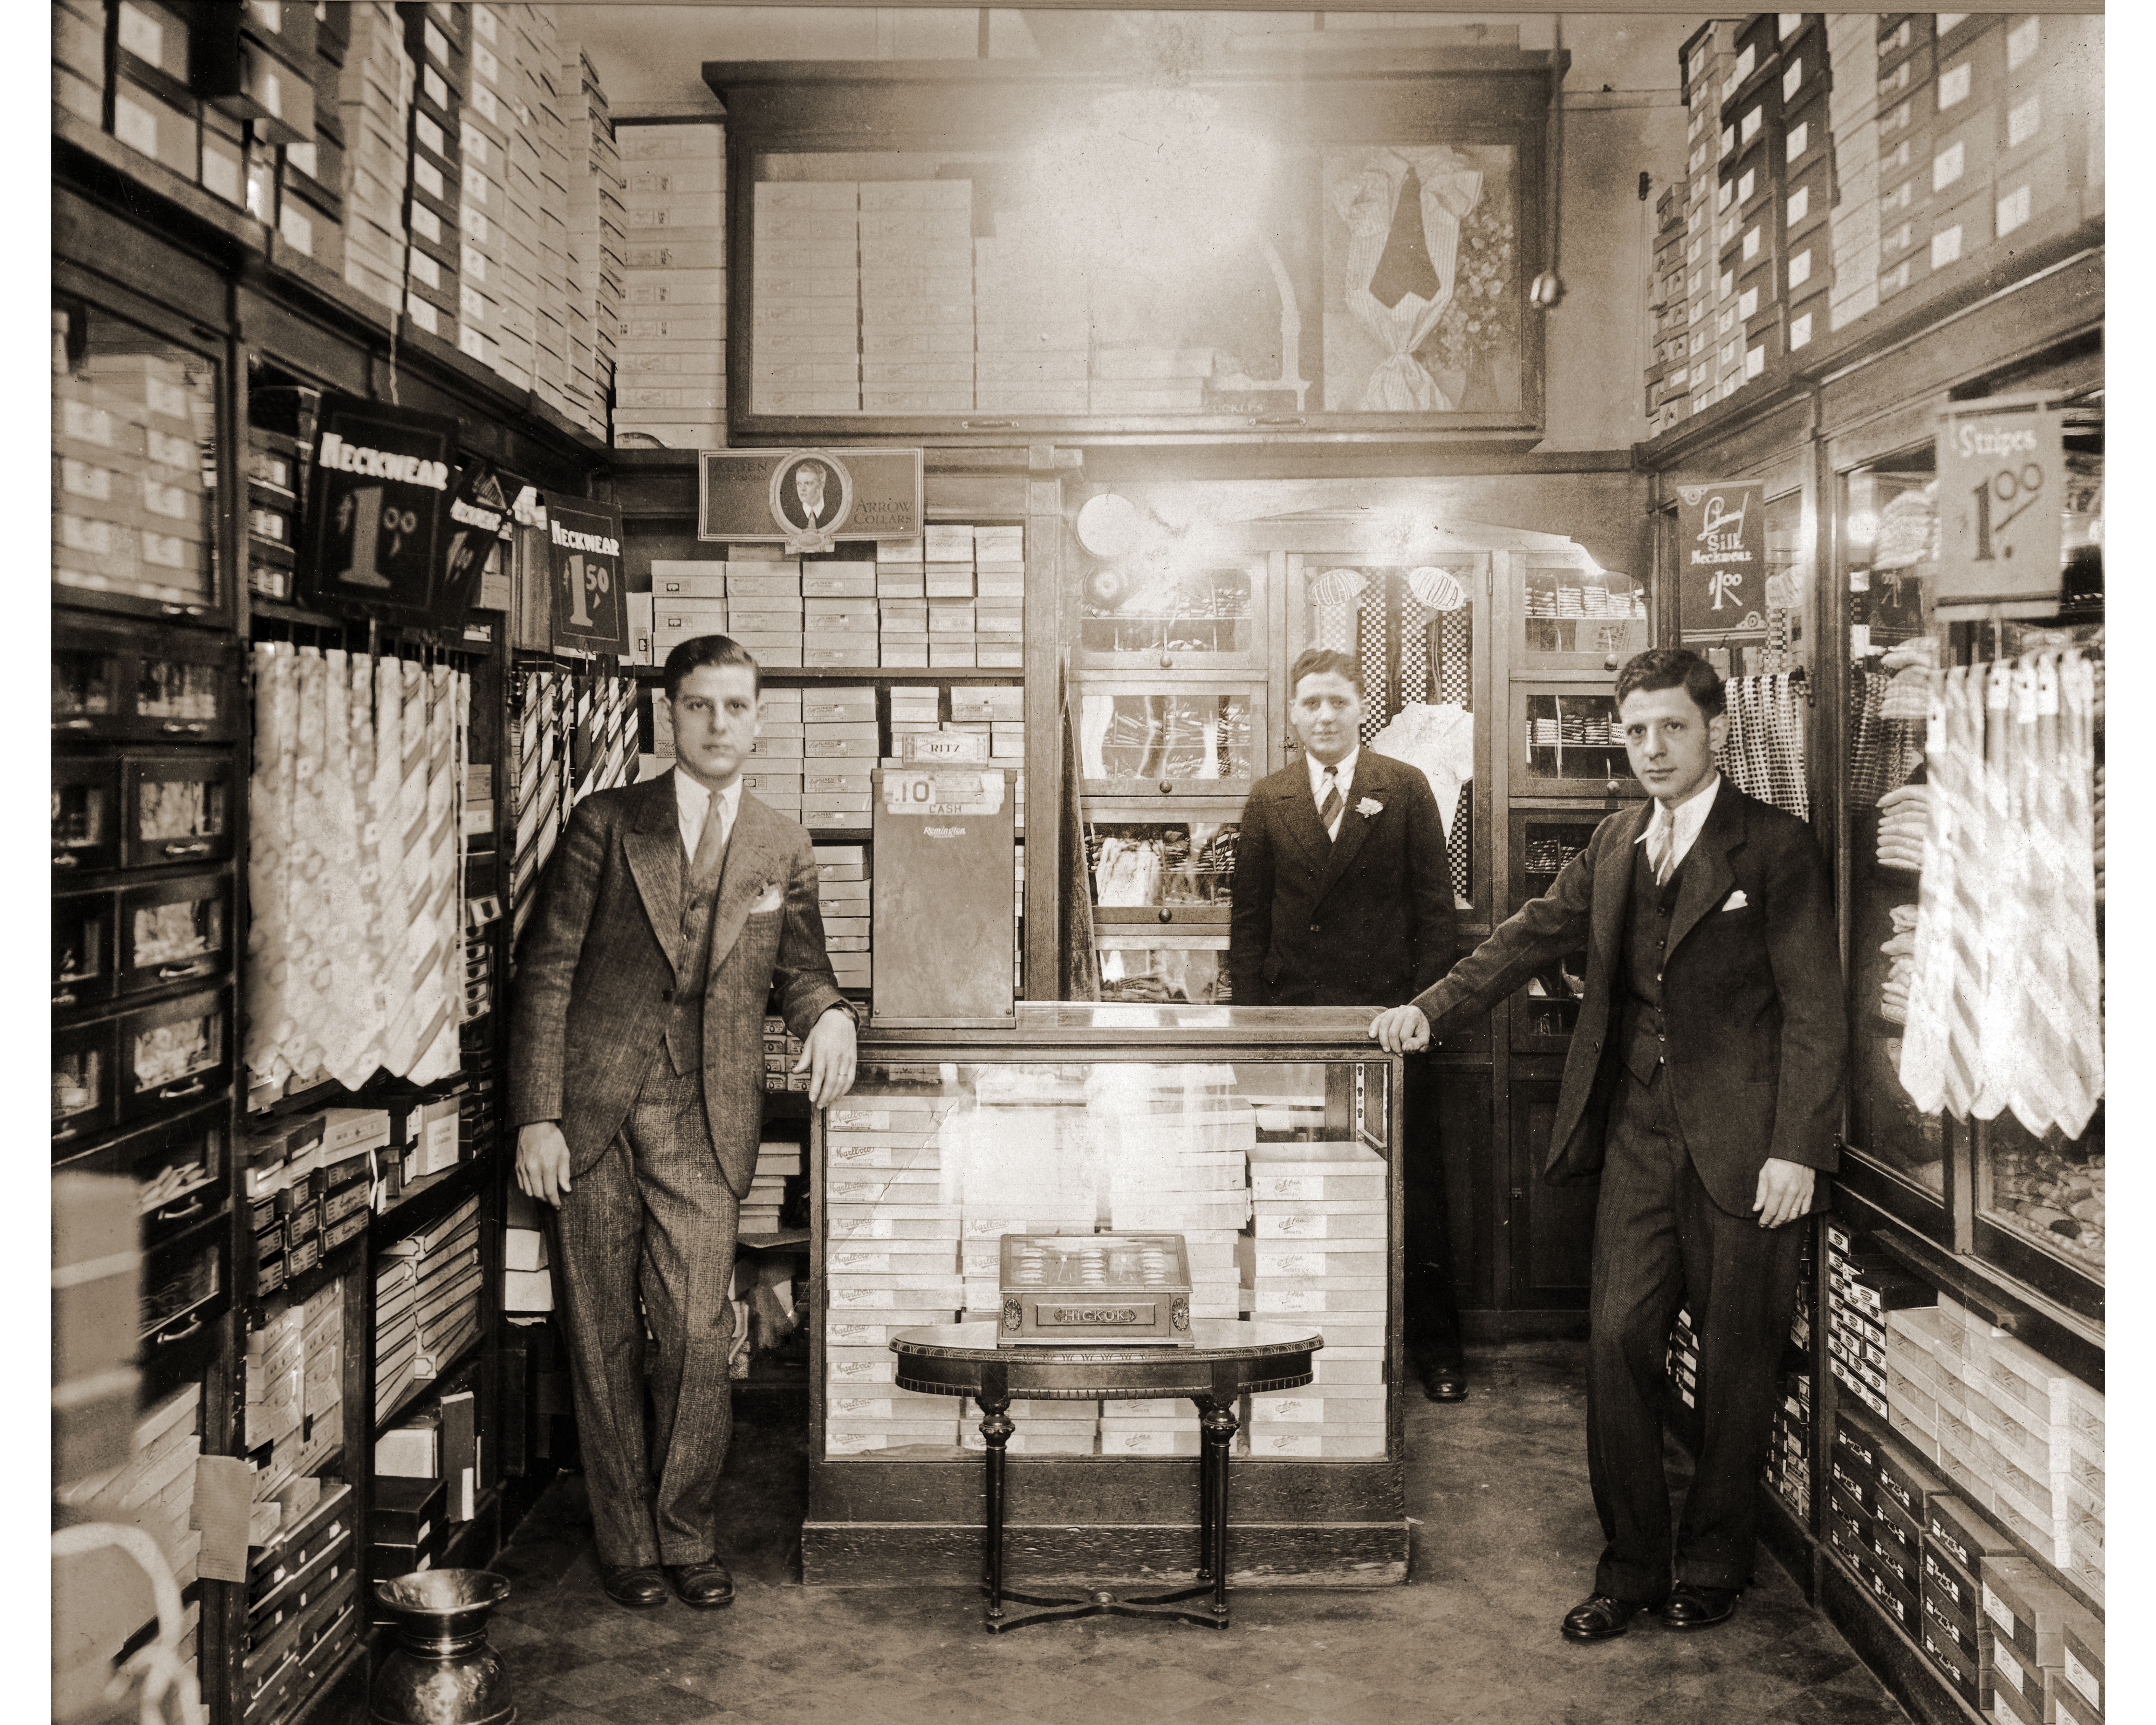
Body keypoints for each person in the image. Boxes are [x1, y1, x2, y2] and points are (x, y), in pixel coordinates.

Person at [1372, 647, 1843, 1640]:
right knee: (1618, 1342)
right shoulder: (1619, 840)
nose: (1652, 747)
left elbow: (1814, 1013)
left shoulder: (1775, 847)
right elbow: (1525, 935)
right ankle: (1629, 1566)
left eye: (1671, 725)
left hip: (1748, 1150)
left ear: (1712, 730)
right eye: (1635, 729)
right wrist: (1428, 1007)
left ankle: (1711, 1563)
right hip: (1637, 1133)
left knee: (1737, 1360)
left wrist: (1798, 1147)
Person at [510, 634, 859, 1611]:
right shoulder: (605, 822)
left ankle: (687, 1534)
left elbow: (801, 968)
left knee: (701, 1336)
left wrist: (831, 1014)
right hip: (590, 1115)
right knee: (602, 1332)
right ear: (671, 714)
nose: (717, 724)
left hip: (705, 1118)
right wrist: (538, 1114)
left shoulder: (781, 843)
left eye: (735, 706)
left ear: (758, 716)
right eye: (699, 705)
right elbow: (545, 973)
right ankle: (627, 1544)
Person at [1230, 646, 1467, 1400]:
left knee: (1413, 1188)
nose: (1324, 716)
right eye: (1310, 703)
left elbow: (1436, 916)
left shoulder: (1401, 788)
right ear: (1291, 714)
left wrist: (1422, 1011)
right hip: (1294, 1029)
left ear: (1358, 706)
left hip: (1386, 1028)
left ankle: (1435, 1350)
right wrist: (1251, 1032)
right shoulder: (1268, 799)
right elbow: (1246, 927)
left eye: (1336, 701)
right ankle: (1309, 1339)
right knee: (1300, 1180)